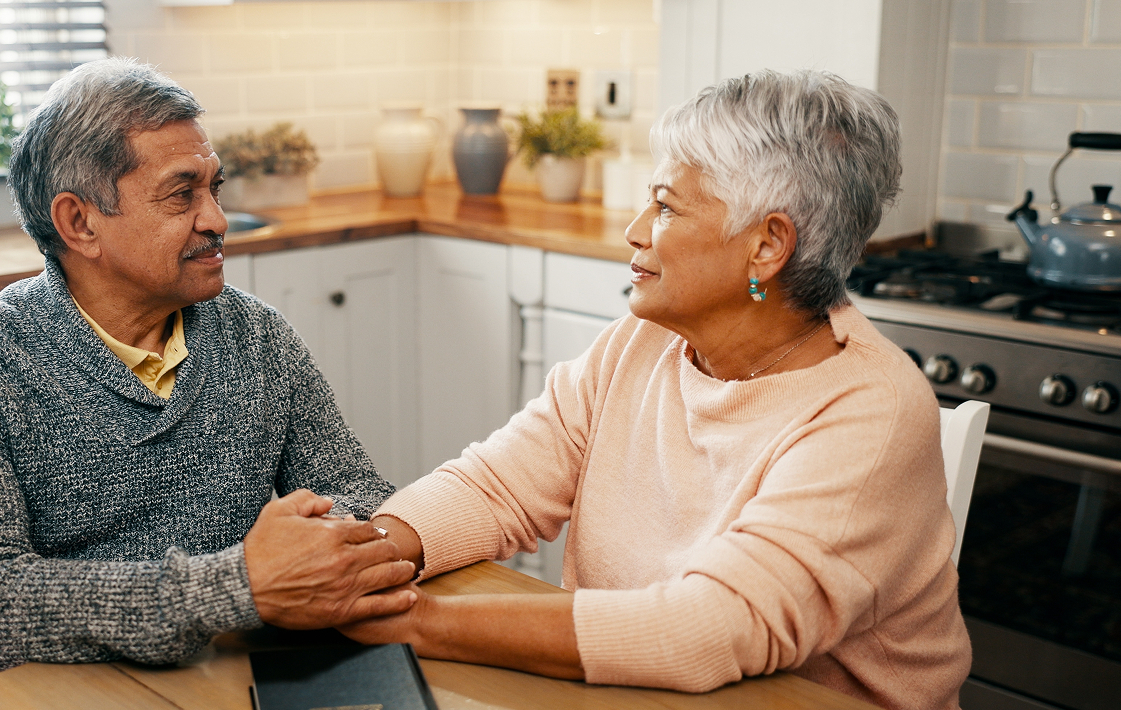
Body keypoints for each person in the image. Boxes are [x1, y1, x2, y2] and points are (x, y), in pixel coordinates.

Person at [343, 70, 970, 710]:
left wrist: (416, 623)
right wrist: (364, 558)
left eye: (667, 206)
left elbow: (712, 628)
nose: (636, 230)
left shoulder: (871, 410)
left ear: (767, 245)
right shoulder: (640, 345)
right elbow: (497, 485)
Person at [0, 57, 416, 691]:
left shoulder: (258, 337)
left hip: (218, 677)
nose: (217, 220)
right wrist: (238, 586)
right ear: (79, 222)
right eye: (181, 194)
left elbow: (359, 495)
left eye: (214, 188)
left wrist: (325, 549)